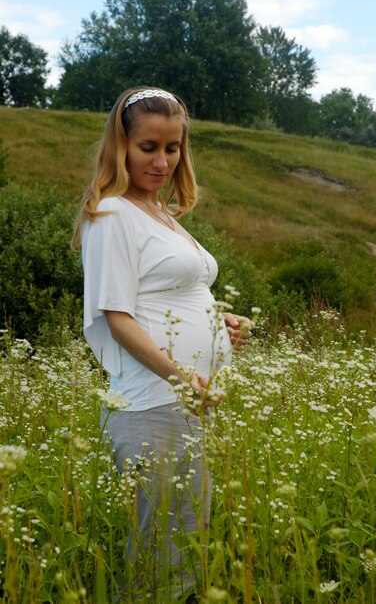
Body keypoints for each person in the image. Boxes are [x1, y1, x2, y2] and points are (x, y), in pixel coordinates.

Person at [73, 87, 251, 602]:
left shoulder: (160, 214)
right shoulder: (111, 213)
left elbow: (177, 292)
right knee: (164, 555)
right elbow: (118, 316)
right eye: (148, 146)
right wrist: (180, 375)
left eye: (172, 148)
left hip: (185, 400)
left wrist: (223, 320)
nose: (162, 160)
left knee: (185, 543)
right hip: (153, 402)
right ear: (120, 145)